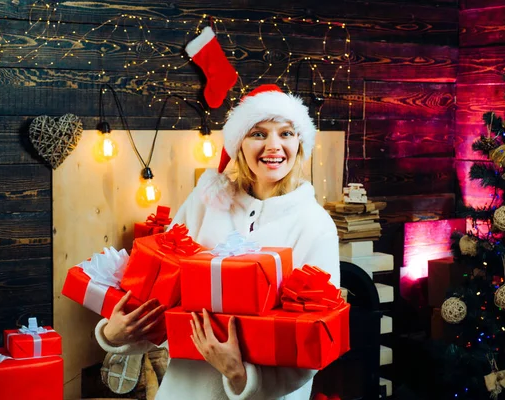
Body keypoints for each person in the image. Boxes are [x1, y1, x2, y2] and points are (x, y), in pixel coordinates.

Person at [95, 84, 341, 399]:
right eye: (258, 134)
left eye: (286, 133)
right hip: (184, 389)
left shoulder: (316, 226)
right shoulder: (204, 202)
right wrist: (115, 335)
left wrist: (241, 376)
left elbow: (311, 340)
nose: (273, 146)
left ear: (301, 143)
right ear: (239, 143)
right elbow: (158, 300)